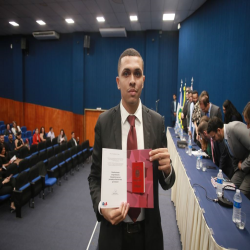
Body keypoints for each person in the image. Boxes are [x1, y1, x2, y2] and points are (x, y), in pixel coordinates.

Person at [88, 48, 175, 250]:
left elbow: (165, 183)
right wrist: (102, 208)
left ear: (143, 80)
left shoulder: (157, 122)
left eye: (137, 73)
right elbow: (94, 177)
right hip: (113, 233)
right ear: (118, 82)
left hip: (149, 234)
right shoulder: (103, 122)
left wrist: (168, 169)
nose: (132, 79)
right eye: (126, 73)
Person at [207, 117, 250, 199]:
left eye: (213, 137)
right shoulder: (225, 137)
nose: (214, 140)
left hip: (247, 167)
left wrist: (243, 165)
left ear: (219, 130)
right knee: (228, 190)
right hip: (241, 169)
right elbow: (233, 156)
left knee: (240, 197)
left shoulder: (235, 128)